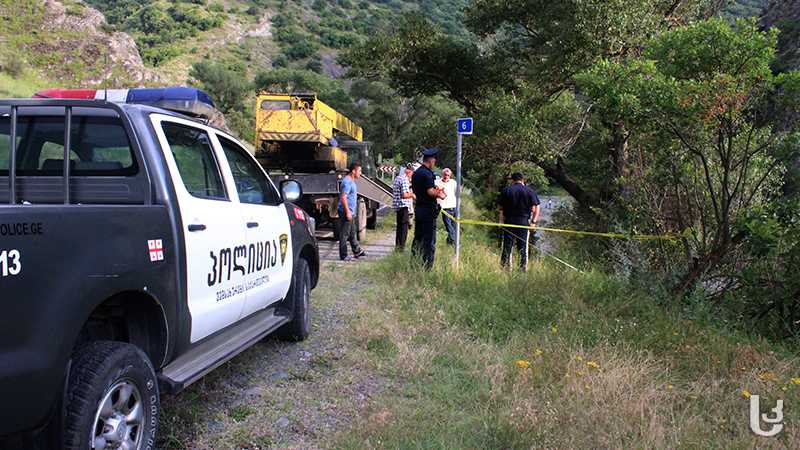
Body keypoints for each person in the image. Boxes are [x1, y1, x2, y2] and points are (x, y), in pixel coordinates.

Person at [411, 148, 446, 269]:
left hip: (419, 208)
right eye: (434, 161)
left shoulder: (416, 173)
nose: (434, 163)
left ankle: (414, 263)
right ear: (431, 160)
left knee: (418, 238)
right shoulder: (428, 174)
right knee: (429, 241)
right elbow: (430, 191)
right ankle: (427, 267)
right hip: (428, 210)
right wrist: (440, 194)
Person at [498, 172, 541, 271]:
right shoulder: (529, 191)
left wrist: (500, 221)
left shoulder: (506, 190)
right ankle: (522, 269)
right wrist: (533, 222)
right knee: (523, 247)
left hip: (509, 221)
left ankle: (505, 268)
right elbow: (537, 207)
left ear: (512, 180)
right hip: (523, 222)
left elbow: (501, 208)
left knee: (507, 246)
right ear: (523, 180)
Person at [338, 162, 366, 261]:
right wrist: (348, 212)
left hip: (351, 211)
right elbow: (343, 197)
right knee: (344, 234)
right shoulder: (347, 182)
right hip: (347, 211)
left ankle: (357, 251)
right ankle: (344, 255)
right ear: (353, 171)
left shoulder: (351, 181)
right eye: (359, 171)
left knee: (353, 233)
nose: (360, 173)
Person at [392, 164, 416, 250]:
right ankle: (401, 247)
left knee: (399, 228)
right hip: (403, 206)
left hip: (398, 206)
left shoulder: (398, 178)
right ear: (409, 172)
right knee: (403, 229)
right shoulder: (404, 179)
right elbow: (405, 195)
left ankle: (398, 246)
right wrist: (413, 195)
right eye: (412, 174)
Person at [437, 168, 458, 245]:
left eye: (448, 175)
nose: (446, 176)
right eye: (445, 175)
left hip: (454, 207)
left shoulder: (453, 183)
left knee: (454, 227)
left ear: (450, 175)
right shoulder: (437, 182)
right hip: (445, 208)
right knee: (449, 228)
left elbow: (457, 193)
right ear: (442, 175)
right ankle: (455, 243)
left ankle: (449, 243)